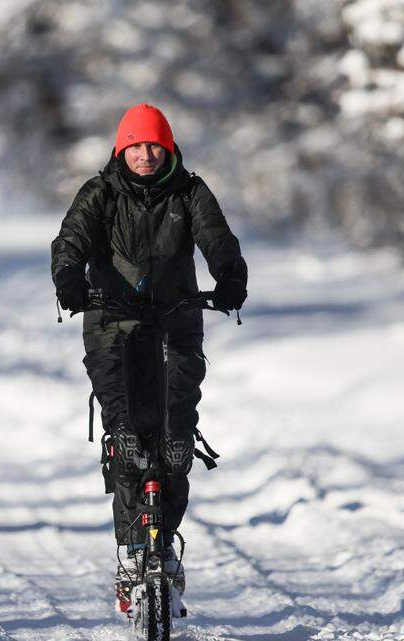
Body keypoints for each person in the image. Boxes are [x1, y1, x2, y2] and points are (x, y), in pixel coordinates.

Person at [50, 103, 247, 609]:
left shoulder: (190, 192)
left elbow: (218, 240)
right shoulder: (100, 193)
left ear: (168, 148)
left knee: (175, 436)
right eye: (135, 145)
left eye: (153, 145)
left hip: (176, 317)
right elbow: (70, 241)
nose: (144, 154)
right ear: (121, 149)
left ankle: (166, 544)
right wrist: (70, 278)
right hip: (113, 324)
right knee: (128, 434)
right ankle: (131, 549)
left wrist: (230, 276)